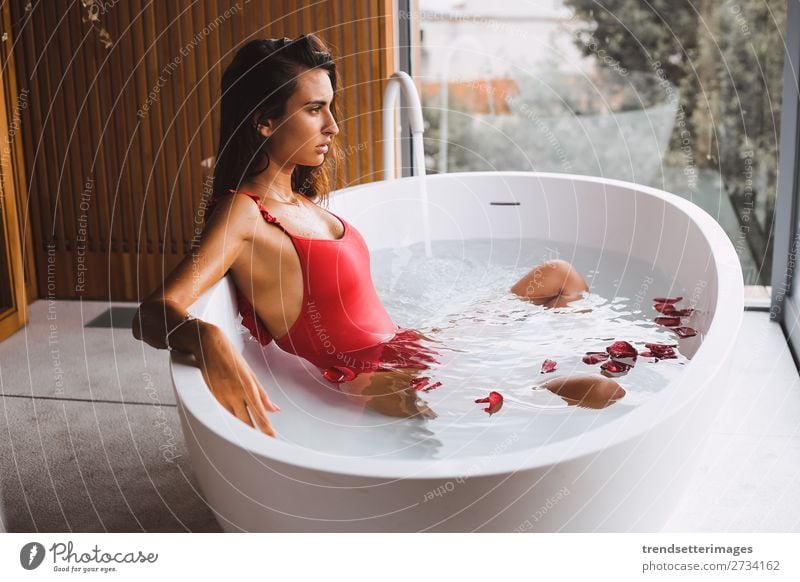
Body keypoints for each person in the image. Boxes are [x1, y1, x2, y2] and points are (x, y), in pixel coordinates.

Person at [132, 34, 623, 439]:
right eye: (313, 109)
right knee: (603, 393)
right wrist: (208, 336)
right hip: (380, 381)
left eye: (330, 107)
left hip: (407, 347)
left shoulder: (300, 201)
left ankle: (550, 365)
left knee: (560, 277)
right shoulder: (244, 213)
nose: (333, 125)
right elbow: (152, 314)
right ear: (263, 121)